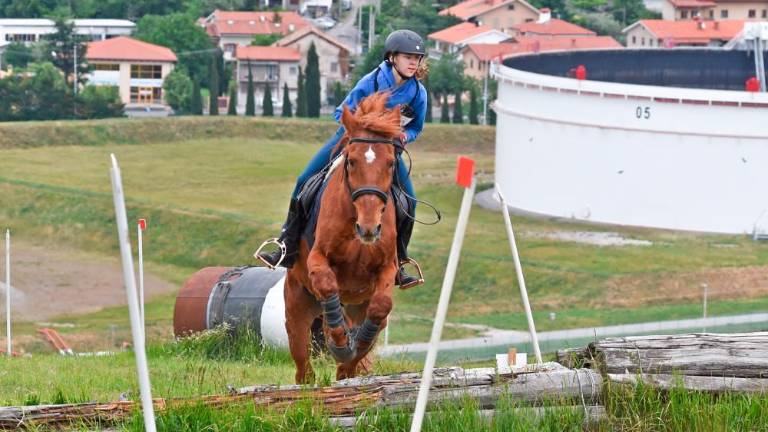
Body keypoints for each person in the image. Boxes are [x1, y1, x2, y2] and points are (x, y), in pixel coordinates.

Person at [257, 29, 428, 289]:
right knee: (304, 180)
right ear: (392, 57)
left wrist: (405, 136)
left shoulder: (418, 93)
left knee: (410, 201)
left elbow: (417, 127)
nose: (413, 62)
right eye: (408, 57)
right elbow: (340, 113)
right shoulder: (371, 82)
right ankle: (286, 244)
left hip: (386, 150)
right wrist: (362, 130)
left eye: (417, 57)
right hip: (351, 141)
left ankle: (400, 260)